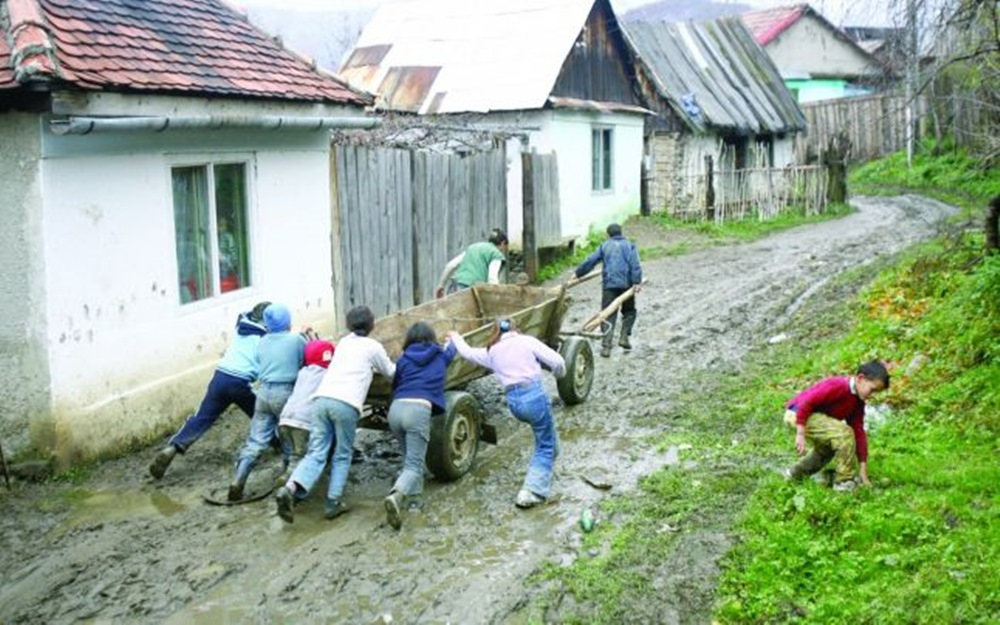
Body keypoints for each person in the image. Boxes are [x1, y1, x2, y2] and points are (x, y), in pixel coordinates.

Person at [275, 305, 395, 523]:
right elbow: (390, 373)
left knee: (316, 452)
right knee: (342, 454)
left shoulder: (343, 344)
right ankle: (333, 503)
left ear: (349, 325)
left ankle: (290, 489)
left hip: (321, 400)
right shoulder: (373, 346)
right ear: (372, 325)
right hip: (346, 404)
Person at [447, 318, 566, 509]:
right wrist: (559, 375)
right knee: (544, 444)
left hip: (514, 403)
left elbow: (468, 353)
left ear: (496, 333)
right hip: (534, 396)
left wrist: (455, 338)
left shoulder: (491, 351)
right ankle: (531, 491)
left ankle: (548, 462)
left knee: (547, 436)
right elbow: (558, 362)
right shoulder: (526, 341)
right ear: (515, 328)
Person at [149, 301, 270, 479]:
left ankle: (174, 447)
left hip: (220, 377)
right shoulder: (265, 338)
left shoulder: (242, 327)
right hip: (241, 383)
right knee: (262, 415)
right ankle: (277, 443)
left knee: (202, 416)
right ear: (266, 322)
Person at [227, 303, 306, 501]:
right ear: (288, 322)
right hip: (285, 392)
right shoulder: (296, 340)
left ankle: (238, 480)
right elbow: (305, 361)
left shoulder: (261, 342)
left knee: (256, 441)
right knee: (288, 436)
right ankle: (286, 481)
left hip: (263, 393)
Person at [384, 322, 457, 530]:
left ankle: (415, 501)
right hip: (418, 410)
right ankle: (396, 496)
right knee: (414, 465)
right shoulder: (440, 355)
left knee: (410, 459)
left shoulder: (404, 359)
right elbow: (453, 349)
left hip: (396, 410)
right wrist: (452, 337)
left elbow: (396, 384)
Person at [783, 360, 890, 491]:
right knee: (843, 433)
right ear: (861, 379)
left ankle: (795, 474)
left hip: (815, 418)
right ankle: (844, 482)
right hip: (798, 413)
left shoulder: (857, 402)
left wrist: (863, 471)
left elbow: (859, 433)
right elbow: (807, 402)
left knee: (828, 448)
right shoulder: (837, 385)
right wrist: (800, 433)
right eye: (872, 390)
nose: (872, 395)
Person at [274, 338, 336, 489]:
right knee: (303, 455)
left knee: (293, 453)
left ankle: (286, 472)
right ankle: (290, 484)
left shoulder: (303, 372)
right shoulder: (328, 374)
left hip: (285, 419)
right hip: (303, 422)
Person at [573, 223, 643, 358]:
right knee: (629, 312)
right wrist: (636, 282)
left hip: (609, 285)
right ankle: (624, 337)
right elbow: (635, 265)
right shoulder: (630, 245)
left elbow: (591, 261)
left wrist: (578, 273)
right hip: (626, 285)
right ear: (621, 233)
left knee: (607, 314)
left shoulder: (604, 246)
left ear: (609, 234)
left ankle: (606, 347)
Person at [434, 228, 509, 298]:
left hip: (455, 287)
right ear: (502, 243)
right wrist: (496, 296)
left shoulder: (473, 248)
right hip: (471, 291)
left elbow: (451, 265)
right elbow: (492, 277)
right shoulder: (496, 254)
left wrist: (441, 286)